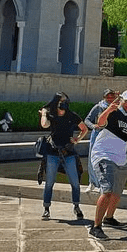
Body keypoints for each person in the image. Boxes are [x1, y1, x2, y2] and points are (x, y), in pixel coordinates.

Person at [88, 89, 127, 240]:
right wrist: (109, 108)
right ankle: (96, 227)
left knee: (117, 192)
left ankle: (109, 218)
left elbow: (123, 139)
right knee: (107, 191)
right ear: (122, 101)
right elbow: (100, 123)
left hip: (120, 159)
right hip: (104, 155)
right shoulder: (113, 112)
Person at [39, 91, 88, 221]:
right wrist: (44, 113)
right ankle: (46, 208)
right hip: (53, 152)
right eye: (61, 101)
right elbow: (44, 125)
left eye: (65, 101)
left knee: (75, 182)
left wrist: (78, 139)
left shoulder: (72, 116)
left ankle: (76, 206)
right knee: (49, 182)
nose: (63, 103)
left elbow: (84, 129)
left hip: (69, 153)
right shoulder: (52, 116)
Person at [84, 88, 117, 193]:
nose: (110, 98)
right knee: (92, 159)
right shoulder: (99, 106)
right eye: (108, 96)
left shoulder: (116, 108)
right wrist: (93, 126)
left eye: (112, 96)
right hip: (97, 134)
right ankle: (92, 182)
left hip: (109, 135)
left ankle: (103, 183)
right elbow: (87, 120)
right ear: (104, 97)